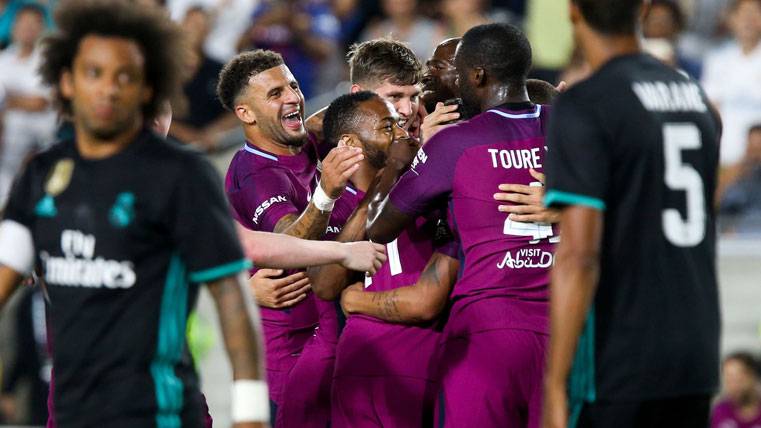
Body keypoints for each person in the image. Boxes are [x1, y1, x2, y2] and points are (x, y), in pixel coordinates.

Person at [0, 1, 269, 426]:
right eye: (94, 73)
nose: (108, 88)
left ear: (147, 88)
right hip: (72, 413)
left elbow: (231, 298)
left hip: (158, 412)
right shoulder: (41, 175)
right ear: (66, 82)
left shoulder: (182, 175)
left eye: (125, 76)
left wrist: (251, 414)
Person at [540, 0, 722, 427]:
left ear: (572, 11)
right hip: (695, 354)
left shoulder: (586, 103)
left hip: (620, 359)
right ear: (642, 10)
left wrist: (553, 383)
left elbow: (579, 257)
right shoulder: (694, 96)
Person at [367, 23, 556, 428]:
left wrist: (403, 161)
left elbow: (379, 229)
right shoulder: (572, 128)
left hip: (488, 331)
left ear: (478, 75)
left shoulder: (455, 143)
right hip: (568, 328)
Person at [218, 49, 364, 423]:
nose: (292, 97)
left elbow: (330, 117)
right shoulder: (253, 173)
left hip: (335, 338)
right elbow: (289, 241)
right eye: (274, 93)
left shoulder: (306, 143)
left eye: (293, 86)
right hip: (288, 354)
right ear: (245, 114)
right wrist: (326, 193)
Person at [0, 3, 57, 206]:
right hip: (5, 150)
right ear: (13, 25)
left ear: (42, 28)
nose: (28, 28)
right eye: (24, 22)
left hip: (39, 147)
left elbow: (40, 102)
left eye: (35, 23)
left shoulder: (47, 61)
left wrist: (8, 99)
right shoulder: (3, 60)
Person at [702, 0, 761, 167]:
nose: (748, 20)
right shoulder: (717, 59)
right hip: (724, 154)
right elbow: (712, 108)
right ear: (731, 19)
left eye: (755, 14)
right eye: (743, 14)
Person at [711, 352, 761, 428]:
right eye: (728, 380)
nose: (733, 386)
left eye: (738, 379)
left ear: (754, 376)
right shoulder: (720, 411)